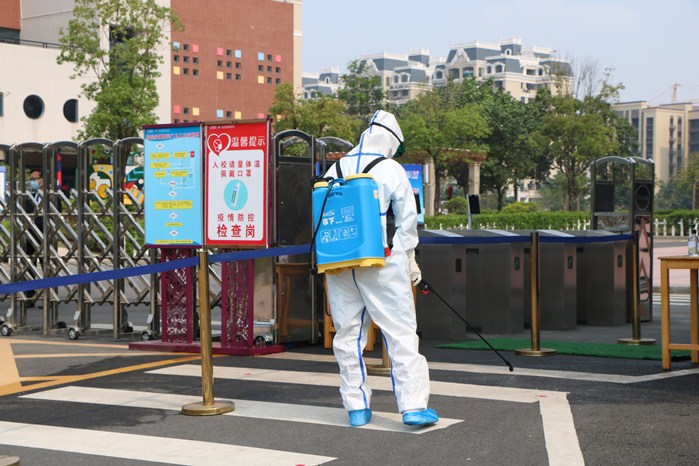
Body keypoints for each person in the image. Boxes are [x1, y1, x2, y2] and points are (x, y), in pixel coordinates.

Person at [324, 110, 439, 427]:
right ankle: (413, 406)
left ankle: (356, 407)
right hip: (382, 262)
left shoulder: (335, 168)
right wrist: (408, 259)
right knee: (400, 332)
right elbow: (407, 222)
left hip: (339, 262)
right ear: (391, 141)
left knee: (348, 335)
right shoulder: (391, 169)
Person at [24, 168, 44, 304]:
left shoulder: (52, 195)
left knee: (46, 265)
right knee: (29, 264)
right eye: (30, 179)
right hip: (30, 234)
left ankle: (49, 297)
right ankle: (30, 296)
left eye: (34, 179)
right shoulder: (28, 197)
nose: (32, 182)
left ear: (42, 180)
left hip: (45, 234)